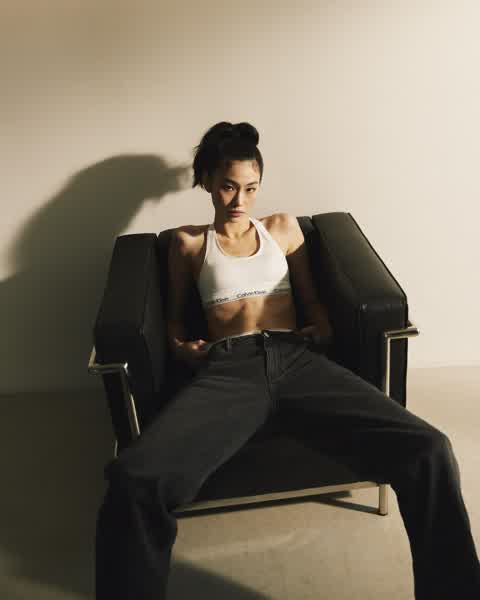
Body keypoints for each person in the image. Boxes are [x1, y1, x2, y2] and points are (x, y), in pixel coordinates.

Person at [95, 121, 480, 600]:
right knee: (133, 477)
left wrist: (321, 327)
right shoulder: (189, 243)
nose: (239, 200)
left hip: (298, 359)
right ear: (208, 182)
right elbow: (173, 318)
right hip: (230, 367)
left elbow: (313, 302)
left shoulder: (282, 228)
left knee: (431, 449)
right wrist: (180, 348)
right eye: (228, 187)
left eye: (250, 188)